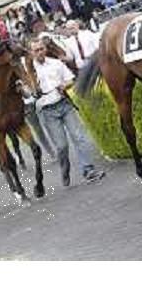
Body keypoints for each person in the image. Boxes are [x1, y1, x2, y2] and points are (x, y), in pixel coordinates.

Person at [30, 40, 105, 187]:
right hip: (47, 111)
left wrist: (65, 85)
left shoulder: (56, 63)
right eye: (36, 50)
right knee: (62, 146)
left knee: (79, 137)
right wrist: (27, 91)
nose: (39, 52)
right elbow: (28, 94)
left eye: (41, 49)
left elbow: (70, 78)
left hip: (64, 104)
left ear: (45, 49)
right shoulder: (30, 71)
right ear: (31, 53)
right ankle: (65, 169)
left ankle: (88, 169)